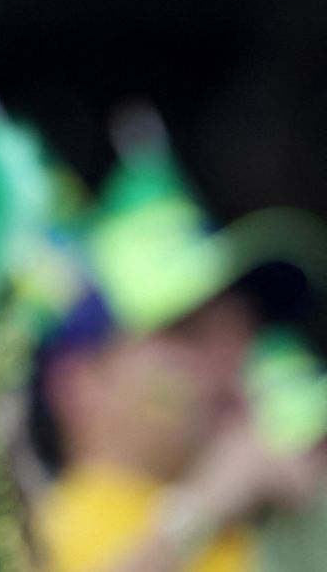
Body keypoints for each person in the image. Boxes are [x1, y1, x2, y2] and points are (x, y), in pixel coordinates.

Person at [30, 139, 327, 572]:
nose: (232, 368)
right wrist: (199, 510)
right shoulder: (14, 535)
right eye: (192, 335)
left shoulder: (260, 525)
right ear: (79, 382)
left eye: (244, 338)